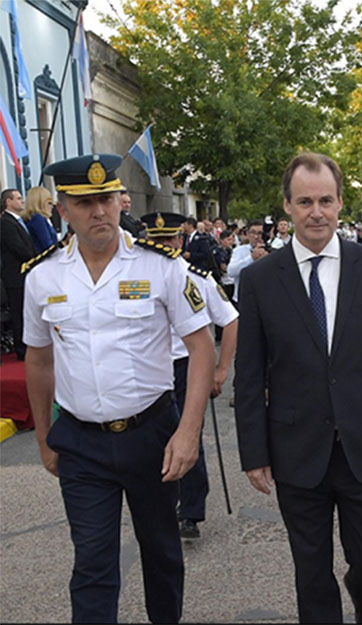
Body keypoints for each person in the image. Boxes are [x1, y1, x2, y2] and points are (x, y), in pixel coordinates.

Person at [23, 153, 216, 623]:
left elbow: (202, 346)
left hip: (152, 436)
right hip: (83, 442)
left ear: (118, 200)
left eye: (106, 199)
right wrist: (46, 437)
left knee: (162, 553)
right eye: (86, 203)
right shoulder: (43, 276)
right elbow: (39, 358)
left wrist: (188, 433)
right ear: (62, 209)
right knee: (92, 562)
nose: (100, 212)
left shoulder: (161, 267)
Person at [234, 152, 362, 623]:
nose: (316, 212)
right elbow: (250, 372)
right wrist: (253, 452)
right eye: (304, 202)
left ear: (340, 203)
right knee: (311, 570)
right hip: (296, 447)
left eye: (325, 200)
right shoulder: (259, 280)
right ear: (288, 207)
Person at [140, 211, 239, 540]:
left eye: (169, 239)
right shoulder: (131, 276)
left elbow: (230, 319)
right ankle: (161, 501)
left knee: (187, 433)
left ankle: (191, 511)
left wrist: (221, 368)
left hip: (186, 367)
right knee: (151, 439)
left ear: (180, 241)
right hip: (149, 369)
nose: (162, 246)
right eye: (156, 240)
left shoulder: (196, 276)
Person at [0, 188, 36, 360]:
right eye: (18, 198)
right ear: (8, 202)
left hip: (25, 274)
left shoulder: (18, 221)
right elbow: (19, 248)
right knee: (18, 313)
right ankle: (22, 349)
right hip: (15, 276)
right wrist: (35, 257)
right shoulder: (5, 223)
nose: (22, 201)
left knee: (26, 312)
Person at [226, 219, 268, 302]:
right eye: (253, 233)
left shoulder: (270, 251)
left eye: (259, 233)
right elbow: (231, 272)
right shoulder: (239, 251)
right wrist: (251, 258)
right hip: (243, 299)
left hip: (264, 299)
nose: (256, 237)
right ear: (248, 234)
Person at [24, 186, 59, 252]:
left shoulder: (42, 219)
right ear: (41, 203)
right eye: (49, 203)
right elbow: (47, 244)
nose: (52, 207)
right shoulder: (38, 219)